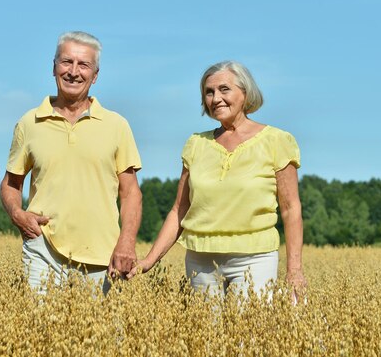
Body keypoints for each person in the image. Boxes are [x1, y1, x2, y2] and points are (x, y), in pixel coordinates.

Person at [128, 61, 306, 300]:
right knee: (206, 337)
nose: (215, 98)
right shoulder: (196, 144)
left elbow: (290, 209)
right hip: (200, 261)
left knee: (249, 336)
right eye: (209, 92)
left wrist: (294, 270)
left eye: (224, 89)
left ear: (245, 93)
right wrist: (149, 260)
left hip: (254, 258)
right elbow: (179, 210)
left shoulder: (276, 141)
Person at [0, 31, 142, 293]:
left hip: (103, 255)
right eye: (66, 62)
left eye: (83, 65)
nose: (73, 72)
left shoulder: (117, 125)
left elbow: (131, 192)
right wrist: (18, 215)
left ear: (95, 75)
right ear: (53, 68)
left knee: (103, 334)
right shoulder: (29, 123)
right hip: (43, 249)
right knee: (39, 332)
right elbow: (11, 183)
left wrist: (126, 242)